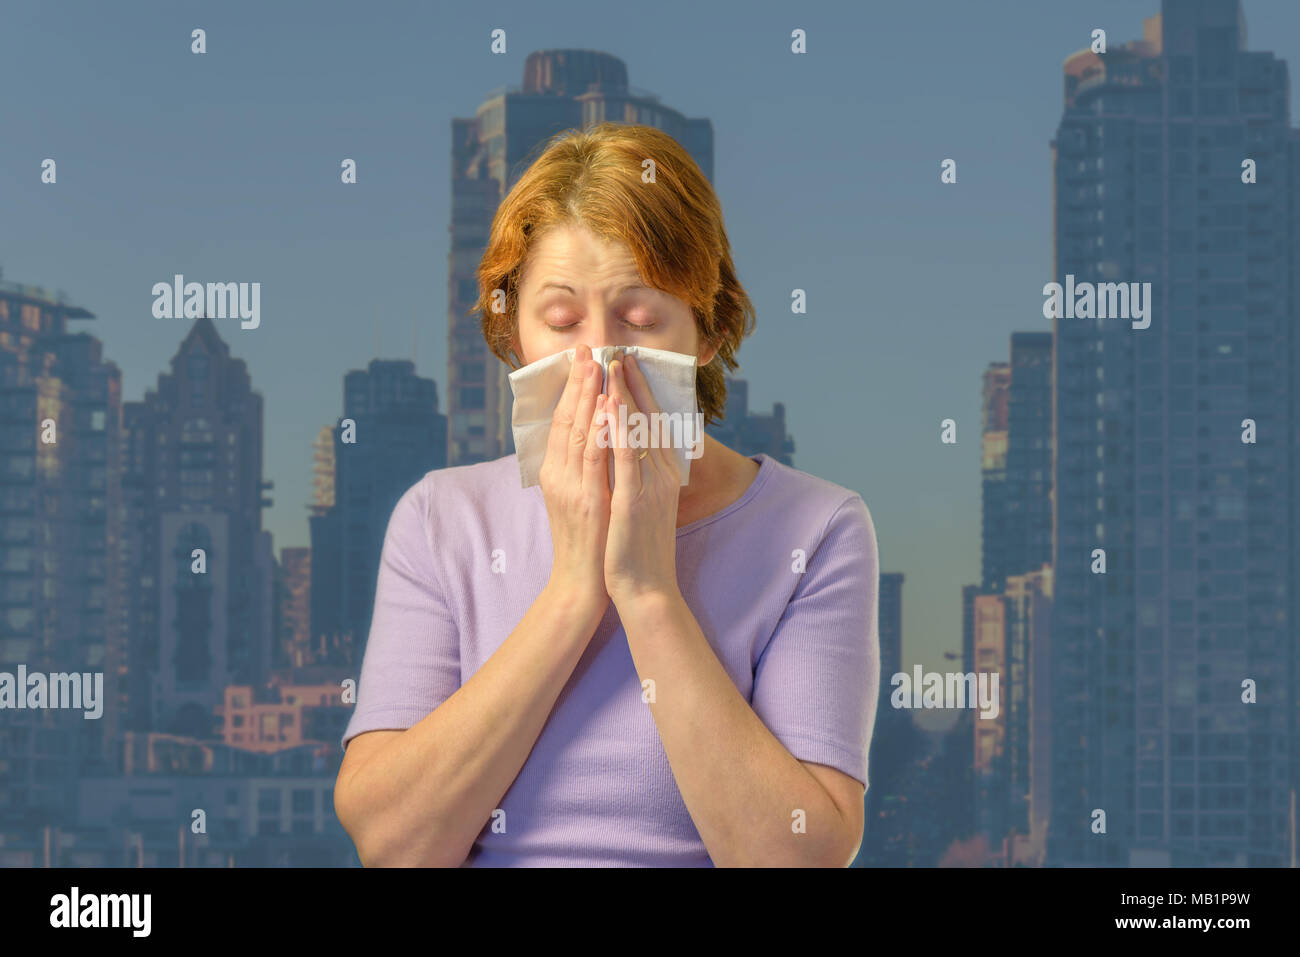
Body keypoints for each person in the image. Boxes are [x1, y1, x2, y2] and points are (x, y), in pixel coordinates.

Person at [333, 121, 880, 867]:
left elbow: (797, 856)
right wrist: (572, 590)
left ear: (709, 333)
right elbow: (393, 844)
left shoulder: (816, 529)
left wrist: (647, 588)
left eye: (641, 317)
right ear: (513, 335)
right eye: (560, 321)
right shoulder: (440, 520)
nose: (598, 359)